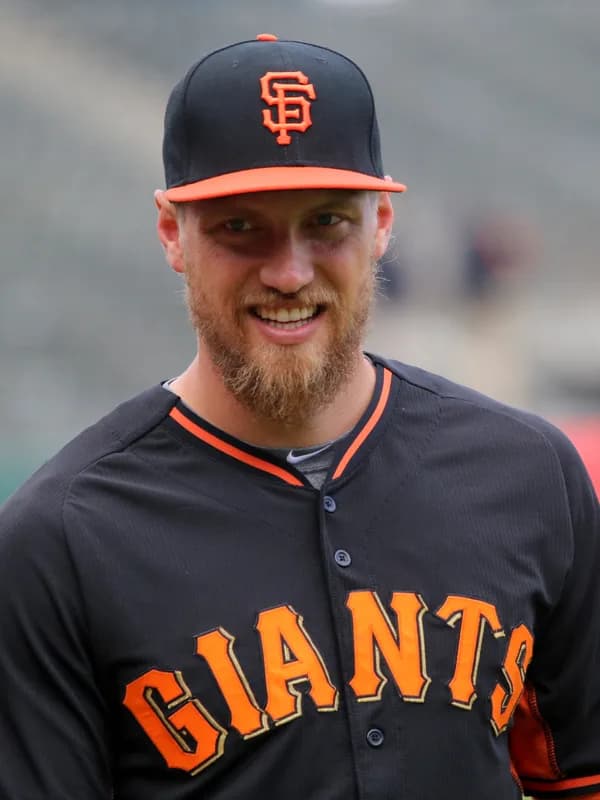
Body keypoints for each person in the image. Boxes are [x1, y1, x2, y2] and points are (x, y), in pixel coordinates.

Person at [0, 33, 599, 800]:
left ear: (382, 223)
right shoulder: (61, 541)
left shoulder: (529, 475)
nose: (288, 271)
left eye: (326, 222)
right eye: (240, 226)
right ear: (172, 233)